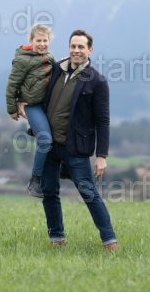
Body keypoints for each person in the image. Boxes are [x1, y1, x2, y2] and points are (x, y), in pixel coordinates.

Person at [40, 29, 118, 250]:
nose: (76, 50)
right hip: (48, 145)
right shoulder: (56, 70)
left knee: (89, 193)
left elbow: (103, 120)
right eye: (73, 46)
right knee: (49, 192)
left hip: (75, 146)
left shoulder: (97, 81)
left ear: (89, 50)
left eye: (81, 47)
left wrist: (101, 155)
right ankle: (57, 238)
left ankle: (109, 240)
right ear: (69, 48)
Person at [5, 24, 54, 197]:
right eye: (38, 40)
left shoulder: (50, 57)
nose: (42, 44)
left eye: (45, 40)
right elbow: (12, 85)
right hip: (31, 105)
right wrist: (12, 108)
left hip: (47, 106)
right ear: (31, 41)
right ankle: (35, 180)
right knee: (45, 140)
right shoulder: (22, 60)